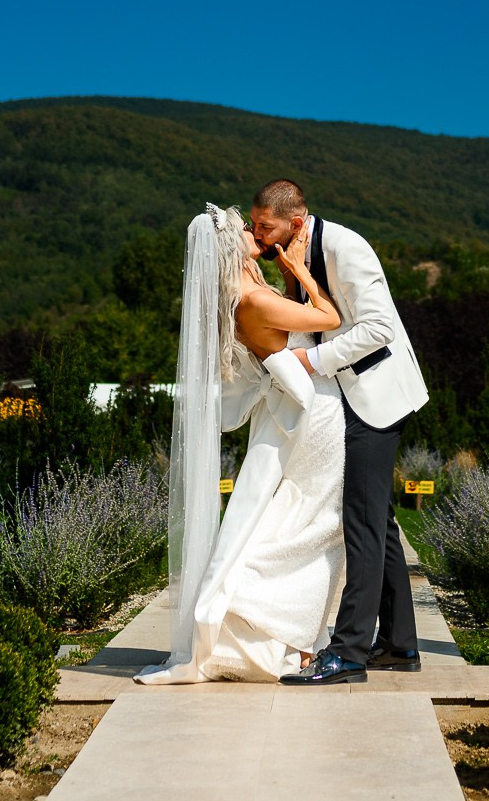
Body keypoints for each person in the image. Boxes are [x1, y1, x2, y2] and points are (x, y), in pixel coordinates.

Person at [136, 203, 349, 683]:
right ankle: (274, 627)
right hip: (312, 416)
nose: (254, 231)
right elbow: (329, 318)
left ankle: (291, 634)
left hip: (303, 410)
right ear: (230, 246)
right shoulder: (252, 301)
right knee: (313, 525)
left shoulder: (250, 293)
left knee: (303, 521)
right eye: (244, 228)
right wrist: (301, 272)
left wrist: (286, 278)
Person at [248, 179, 431, 685]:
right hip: (344, 400)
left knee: (361, 522)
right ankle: (399, 645)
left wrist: (311, 362)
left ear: (296, 222)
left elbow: (378, 329)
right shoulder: (292, 255)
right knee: (379, 521)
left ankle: (349, 653)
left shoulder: (345, 247)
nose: (258, 235)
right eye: (255, 226)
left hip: (377, 396)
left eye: (265, 227)